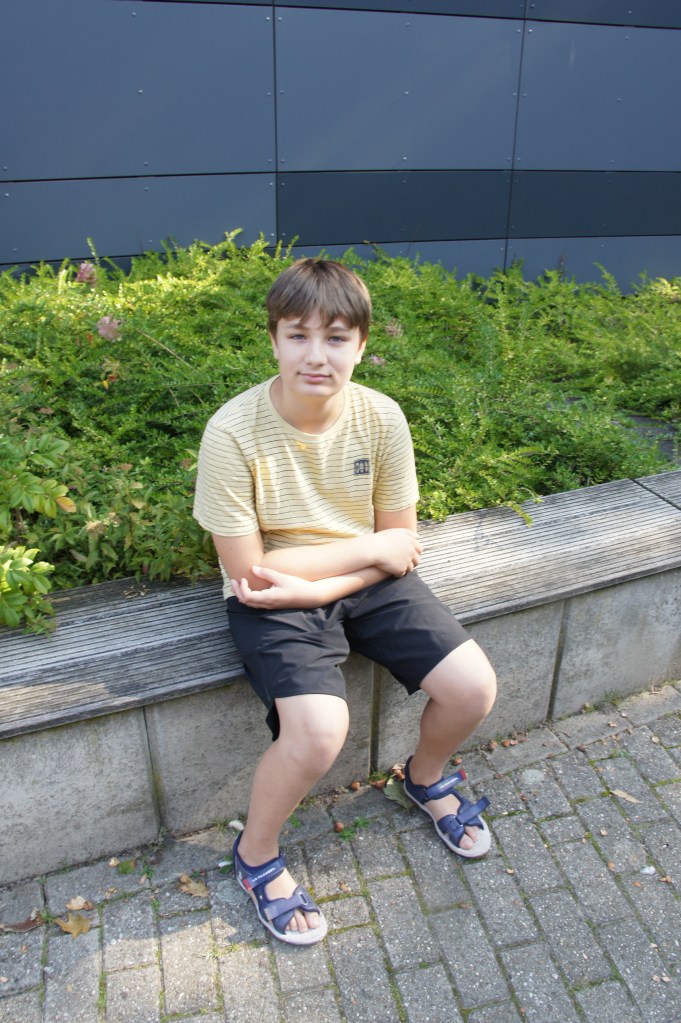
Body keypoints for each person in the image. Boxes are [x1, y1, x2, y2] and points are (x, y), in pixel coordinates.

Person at [193, 258, 496, 946]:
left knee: (473, 689)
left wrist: (326, 584)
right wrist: (364, 553)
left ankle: (424, 777)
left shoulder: (379, 416)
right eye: (297, 335)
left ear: (360, 345)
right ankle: (256, 853)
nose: (315, 355)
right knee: (317, 732)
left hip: (358, 582)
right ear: (273, 340)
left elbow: (401, 544)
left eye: (334, 338)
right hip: (273, 597)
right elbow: (251, 574)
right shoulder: (232, 431)